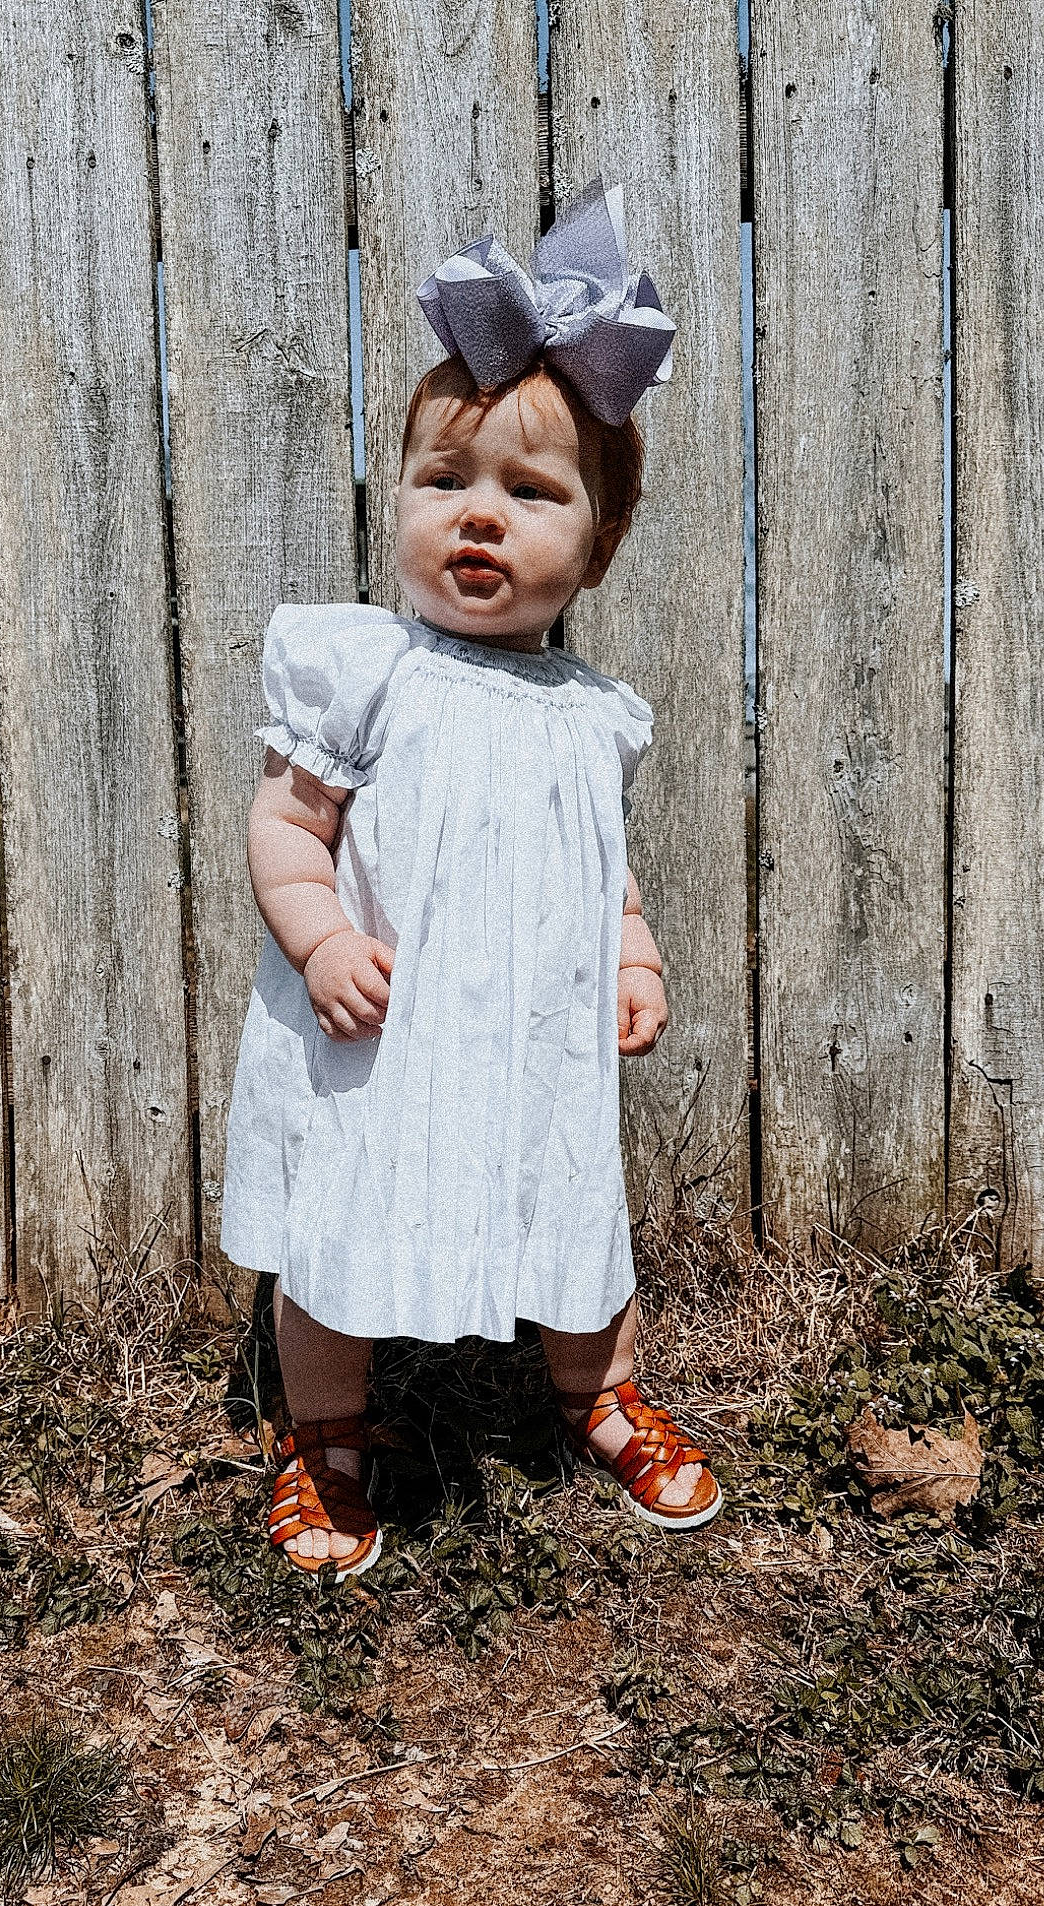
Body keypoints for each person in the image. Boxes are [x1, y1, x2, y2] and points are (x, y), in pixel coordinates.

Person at [220, 178, 722, 1578]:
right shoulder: (364, 670)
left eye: (528, 489)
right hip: (379, 1037)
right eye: (447, 482)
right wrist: (319, 941)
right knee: (336, 1236)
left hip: (532, 1042)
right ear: (403, 501)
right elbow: (284, 826)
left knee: (573, 1212)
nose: (478, 517)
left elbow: (602, 867)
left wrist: (635, 954)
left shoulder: (592, 713)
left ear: (599, 542)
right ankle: (324, 1436)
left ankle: (599, 1396)